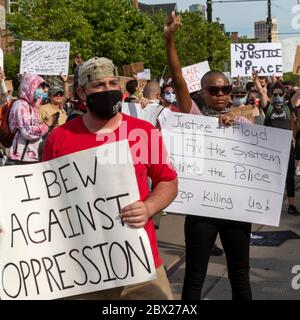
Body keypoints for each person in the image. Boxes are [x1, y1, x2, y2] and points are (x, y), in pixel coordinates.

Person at [42, 56, 178, 300]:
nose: (108, 90)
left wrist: (149, 207)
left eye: (113, 83)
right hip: (82, 268)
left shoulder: (143, 132)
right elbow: (44, 196)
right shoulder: (58, 138)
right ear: (83, 93)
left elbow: (168, 181)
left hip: (139, 260)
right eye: (99, 85)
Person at [164, 12, 252, 300]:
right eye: (214, 89)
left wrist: (237, 119)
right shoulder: (194, 116)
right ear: (202, 91)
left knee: (240, 277)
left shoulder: (244, 121)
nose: (221, 94)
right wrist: (170, 38)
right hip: (203, 212)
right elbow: (177, 79)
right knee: (194, 279)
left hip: (237, 210)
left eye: (226, 89)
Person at [254, 75, 299, 216]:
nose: (278, 96)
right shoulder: (268, 108)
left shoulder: (287, 107)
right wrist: (256, 79)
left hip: (287, 148)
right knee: (271, 177)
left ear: (284, 94)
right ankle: (268, 204)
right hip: (272, 148)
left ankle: (291, 205)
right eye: (275, 94)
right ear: (271, 95)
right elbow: (261, 93)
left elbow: (298, 93)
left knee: (289, 176)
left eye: (280, 94)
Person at [7, 74, 57, 164]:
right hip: (20, 160)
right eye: (39, 87)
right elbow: (28, 132)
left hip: (32, 158)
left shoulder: (32, 106)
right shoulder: (21, 105)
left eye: (43, 87)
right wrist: (46, 125)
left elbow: (35, 127)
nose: (43, 90)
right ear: (30, 86)